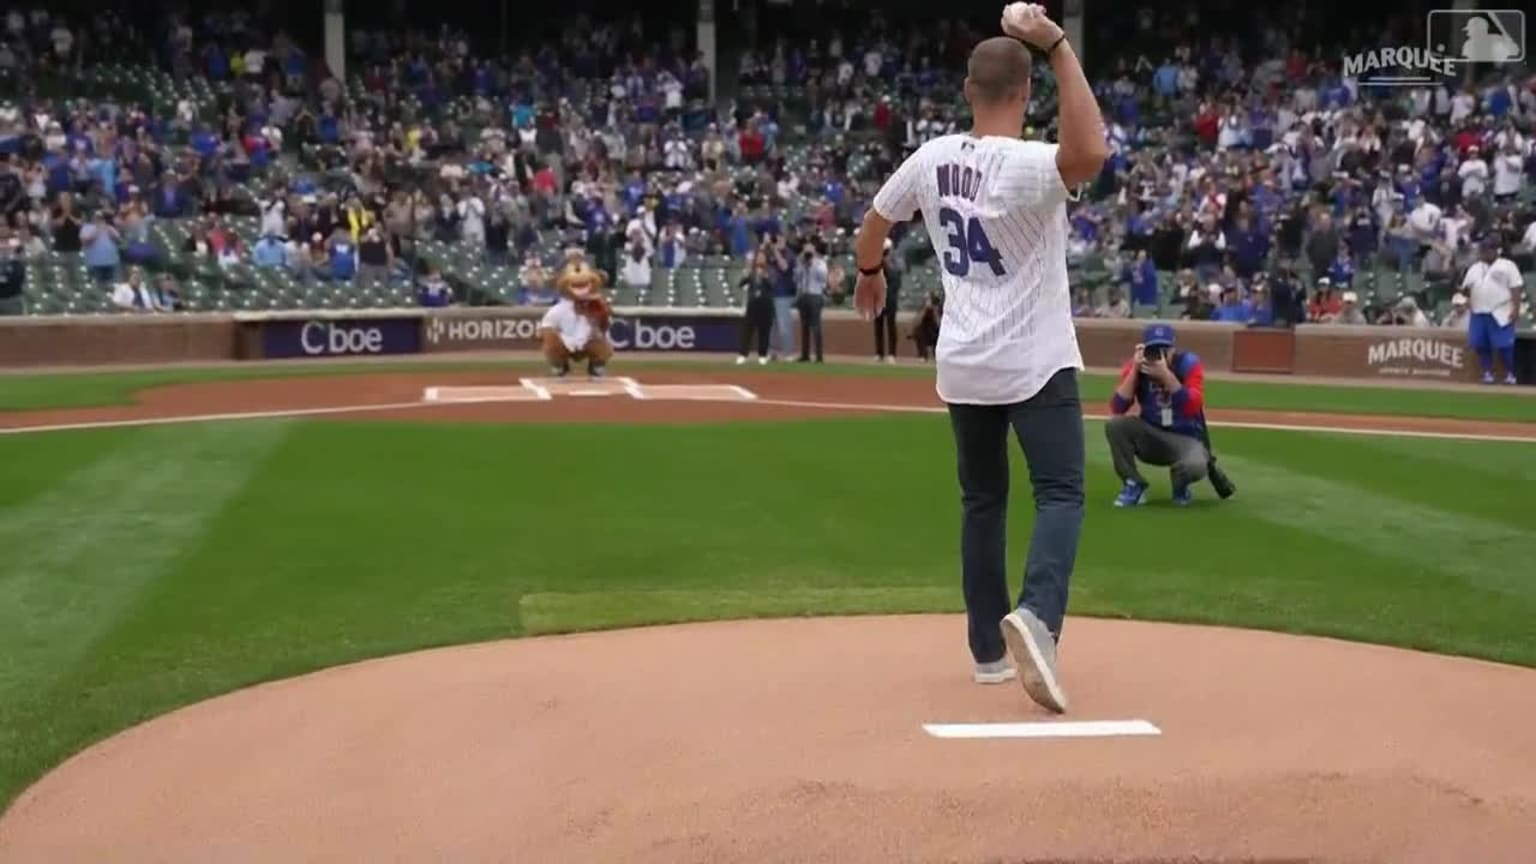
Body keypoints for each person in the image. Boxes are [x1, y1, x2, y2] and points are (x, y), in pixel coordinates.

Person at [851, 4, 1108, 714]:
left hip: (964, 359)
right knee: (1060, 492)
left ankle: (987, 652)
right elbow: (1090, 152)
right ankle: (1038, 620)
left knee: (982, 502)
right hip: (1034, 357)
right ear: (1025, 95)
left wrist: (871, 274)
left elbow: (875, 223)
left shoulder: (932, 157)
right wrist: (1056, 44)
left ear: (969, 90)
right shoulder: (1028, 166)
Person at [1105, 323, 1210, 507]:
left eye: (1164, 349)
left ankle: (1180, 484)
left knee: (1198, 464)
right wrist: (1135, 372)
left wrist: (1167, 376)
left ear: (1173, 348)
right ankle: (1133, 483)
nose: (1159, 355)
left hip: (1184, 438)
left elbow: (1192, 406)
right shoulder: (1137, 366)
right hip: (1151, 436)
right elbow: (1118, 407)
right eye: (1154, 350)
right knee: (1116, 425)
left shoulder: (1188, 364)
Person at [1461, 237, 1523, 385]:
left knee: (1504, 345)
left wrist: (1516, 309)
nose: (1485, 253)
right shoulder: (1475, 268)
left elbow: (1516, 288)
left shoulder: (1508, 265)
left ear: (1496, 250)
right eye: (1483, 250)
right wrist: (1464, 296)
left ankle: (1510, 373)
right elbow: (1466, 289)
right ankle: (1487, 373)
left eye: (1488, 250)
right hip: (1479, 311)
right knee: (1480, 344)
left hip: (1501, 310)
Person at [735, 253, 776, 365]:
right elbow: (741, 284)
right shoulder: (752, 272)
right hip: (753, 303)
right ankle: (743, 354)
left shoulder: (770, 271)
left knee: (764, 331)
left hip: (766, 304)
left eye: (762, 257)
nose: (760, 259)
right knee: (747, 331)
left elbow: (773, 285)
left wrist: (765, 277)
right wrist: (746, 273)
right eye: (758, 257)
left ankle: (762, 355)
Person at [794, 241, 828, 363]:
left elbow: (823, 277)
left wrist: (812, 265)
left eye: (810, 251)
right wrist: (802, 265)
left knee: (816, 326)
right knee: (804, 326)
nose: (808, 253)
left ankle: (819, 356)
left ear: (814, 251)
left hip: (815, 295)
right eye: (806, 250)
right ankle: (805, 355)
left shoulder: (820, 262)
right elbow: (796, 278)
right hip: (803, 295)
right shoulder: (800, 262)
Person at [873, 239, 902, 363]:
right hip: (878, 297)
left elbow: (895, 277)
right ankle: (879, 353)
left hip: (890, 298)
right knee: (878, 326)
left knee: (891, 326)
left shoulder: (896, 262)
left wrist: (886, 263)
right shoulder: (878, 263)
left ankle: (892, 353)